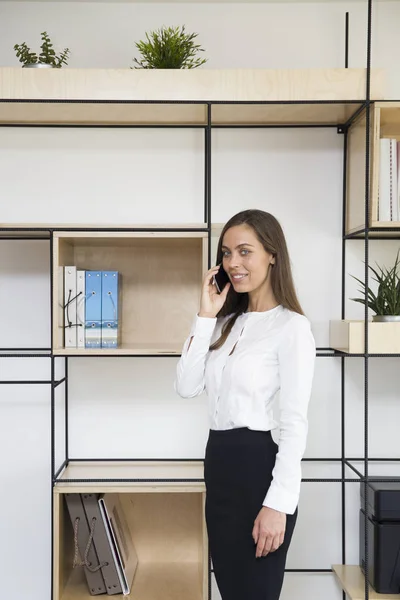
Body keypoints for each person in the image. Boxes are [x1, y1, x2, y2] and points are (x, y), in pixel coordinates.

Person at [174, 209, 316, 600]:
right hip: (219, 466)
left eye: (244, 251)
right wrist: (205, 314)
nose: (232, 263)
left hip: (259, 473)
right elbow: (186, 386)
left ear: (272, 254)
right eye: (225, 253)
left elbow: (294, 423)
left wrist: (278, 505)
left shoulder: (292, 328)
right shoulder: (223, 323)